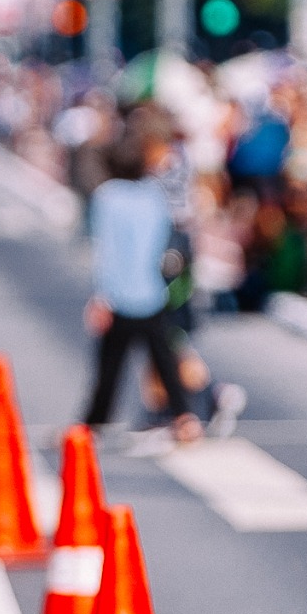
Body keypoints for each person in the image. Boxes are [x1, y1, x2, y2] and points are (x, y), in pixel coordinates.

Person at [79, 112, 201, 441]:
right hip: (152, 293)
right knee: (164, 360)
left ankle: (91, 426)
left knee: (108, 368)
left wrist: (101, 295)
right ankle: (185, 418)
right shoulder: (155, 197)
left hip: (119, 296)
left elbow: (104, 252)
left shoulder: (105, 198)